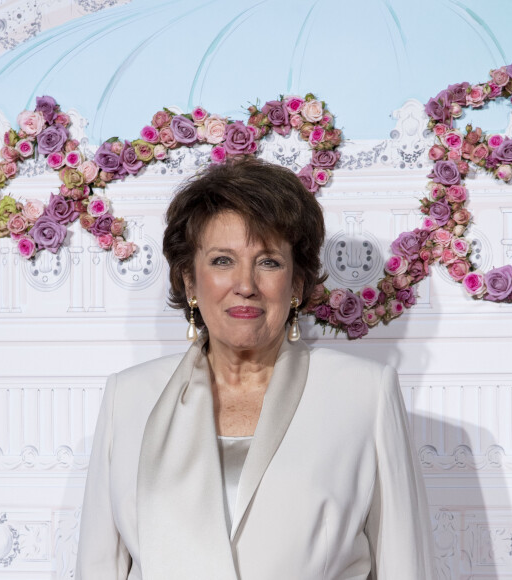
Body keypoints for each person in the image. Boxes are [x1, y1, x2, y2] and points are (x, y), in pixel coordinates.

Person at [75, 157, 436, 579]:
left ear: (296, 285)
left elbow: (406, 565)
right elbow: (98, 567)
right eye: (222, 261)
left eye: (268, 262)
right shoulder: (129, 398)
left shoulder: (364, 393)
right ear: (190, 282)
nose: (245, 284)